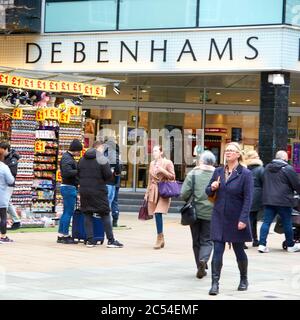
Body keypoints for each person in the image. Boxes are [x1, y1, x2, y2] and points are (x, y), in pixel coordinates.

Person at [205, 142, 253, 295]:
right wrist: (212, 187)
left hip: (236, 218)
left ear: (238, 154)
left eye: (231, 151)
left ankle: (244, 279)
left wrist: (243, 219)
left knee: (239, 251)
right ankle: (214, 284)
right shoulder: (218, 171)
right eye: (226, 151)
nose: (228, 153)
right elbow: (207, 191)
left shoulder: (245, 174)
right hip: (219, 217)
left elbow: (248, 199)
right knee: (217, 250)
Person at [78, 140, 123, 248]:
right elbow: (108, 176)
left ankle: (90, 240)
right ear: (100, 148)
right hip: (98, 191)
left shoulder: (82, 159)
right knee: (105, 213)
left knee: (87, 213)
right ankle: (111, 240)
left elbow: (78, 174)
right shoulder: (102, 159)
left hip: (84, 191)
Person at [181, 151, 215, 279]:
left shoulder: (193, 174)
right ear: (213, 162)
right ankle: (203, 259)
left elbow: (184, 194)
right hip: (211, 213)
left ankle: (199, 264)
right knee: (207, 240)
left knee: (196, 240)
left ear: (201, 161)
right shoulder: (218, 174)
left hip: (194, 213)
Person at [258, 150, 300, 253]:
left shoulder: (267, 167)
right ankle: (290, 245)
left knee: (266, 222)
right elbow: (296, 184)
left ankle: (262, 245)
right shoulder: (288, 168)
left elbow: (263, 181)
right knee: (287, 222)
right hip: (284, 200)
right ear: (285, 158)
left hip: (269, 199)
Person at [144, 145, 175, 249]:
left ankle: (159, 238)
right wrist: (146, 193)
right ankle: (161, 237)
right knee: (155, 213)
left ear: (161, 152)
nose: (154, 153)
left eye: (156, 151)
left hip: (163, 190)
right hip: (153, 190)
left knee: (158, 213)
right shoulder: (152, 163)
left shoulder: (168, 162)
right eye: (153, 151)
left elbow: (172, 176)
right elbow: (149, 179)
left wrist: (162, 170)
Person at [57, 139, 82, 244]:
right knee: (68, 212)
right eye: (79, 151)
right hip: (69, 187)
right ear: (75, 150)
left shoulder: (67, 157)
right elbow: (67, 172)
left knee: (65, 212)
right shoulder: (68, 158)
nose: (79, 153)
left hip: (67, 187)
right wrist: (79, 171)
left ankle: (61, 234)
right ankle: (65, 235)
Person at [244, 150, 264, 247]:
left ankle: (253, 239)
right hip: (256, 197)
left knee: (248, 218)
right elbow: (264, 183)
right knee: (251, 219)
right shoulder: (260, 169)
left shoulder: (245, 169)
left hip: (245, 195)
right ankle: (253, 239)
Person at [0, 141, 21, 230]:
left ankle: (16, 221)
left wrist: (5, 168)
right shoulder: (6, 157)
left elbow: (13, 174)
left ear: (5, 149)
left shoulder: (13, 159)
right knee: (6, 202)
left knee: (5, 203)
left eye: (1, 150)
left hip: (8, 184)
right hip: (4, 184)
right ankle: (16, 221)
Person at [103, 136, 121, 227]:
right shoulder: (117, 151)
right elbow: (118, 166)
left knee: (108, 201)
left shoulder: (108, 152)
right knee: (114, 201)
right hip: (115, 181)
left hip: (109, 181)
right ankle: (115, 219)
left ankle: (107, 221)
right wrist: (117, 174)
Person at [0, 148, 15, 243]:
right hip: (1, 195)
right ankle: (3, 236)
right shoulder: (4, 167)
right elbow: (10, 180)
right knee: (3, 216)